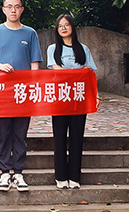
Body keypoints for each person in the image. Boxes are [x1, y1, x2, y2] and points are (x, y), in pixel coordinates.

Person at [0, 0, 42, 192]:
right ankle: (5, 172)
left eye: (16, 6)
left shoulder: (30, 33)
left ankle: (19, 172)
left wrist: (33, 88)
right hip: (1, 93)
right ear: (3, 9)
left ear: (22, 10)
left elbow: (35, 63)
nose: (13, 10)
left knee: (20, 133)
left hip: (23, 93)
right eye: (9, 6)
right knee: (4, 132)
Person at [47, 13, 100, 190]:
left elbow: (90, 74)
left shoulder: (83, 49)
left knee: (77, 138)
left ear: (72, 27)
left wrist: (96, 95)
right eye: (60, 25)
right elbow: (56, 71)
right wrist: (76, 72)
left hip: (79, 99)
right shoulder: (52, 49)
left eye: (66, 25)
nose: (63, 28)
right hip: (60, 99)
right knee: (59, 139)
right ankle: (60, 176)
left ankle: (75, 177)